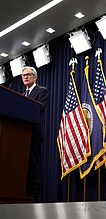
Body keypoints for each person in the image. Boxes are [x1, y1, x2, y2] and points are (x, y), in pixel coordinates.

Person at [21, 66, 49, 201]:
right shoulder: (22, 94)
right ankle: (22, 192)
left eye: (28, 74)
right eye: (23, 75)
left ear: (35, 77)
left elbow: (40, 107)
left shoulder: (42, 91)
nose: (25, 77)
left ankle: (33, 195)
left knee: (34, 164)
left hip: (35, 134)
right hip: (22, 135)